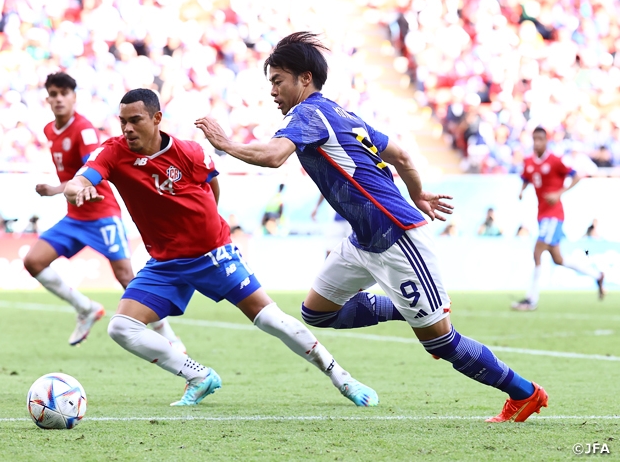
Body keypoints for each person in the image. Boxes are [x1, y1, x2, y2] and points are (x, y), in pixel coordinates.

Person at [195, 32, 548, 423]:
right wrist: (419, 193)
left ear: (305, 79)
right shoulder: (340, 114)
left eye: (278, 81)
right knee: (317, 312)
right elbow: (400, 155)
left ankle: (525, 392)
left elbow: (275, 156)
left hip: (398, 237)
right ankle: (403, 308)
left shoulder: (308, 114)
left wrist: (225, 143)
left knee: (441, 343)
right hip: (365, 239)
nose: (273, 91)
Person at [64, 88, 377, 407]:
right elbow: (80, 180)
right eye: (122, 122)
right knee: (121, 327)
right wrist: (77, 190)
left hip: (213, 254)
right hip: (166, 262)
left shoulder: (189, 152)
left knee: (270, 319)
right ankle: (198, 376)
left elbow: (211, 186)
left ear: (157, 119)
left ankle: (342, 377)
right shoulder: (113, 152)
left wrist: (204, 228)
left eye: (135, 120)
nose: (127, 128)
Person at [24, 73, 185, 351]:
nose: (58, 98)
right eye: (53, 93)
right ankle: (86, 308)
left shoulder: (84, 129)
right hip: (75, 216)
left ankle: (170, 337)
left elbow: (91, 172)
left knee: (125, 277)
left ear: (74, 96)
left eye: (64, 93)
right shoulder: (50, 129)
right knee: (33, 261)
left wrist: (54, 188)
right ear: (48, 98)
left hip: (101, 214)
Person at [513, 127, 604, 311]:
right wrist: (522, 190)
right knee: (558, 259)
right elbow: (527, 177)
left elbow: (576, 176)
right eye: (534, 139)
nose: (537, 143)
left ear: (546, 141)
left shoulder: (555, 161)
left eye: (540, 139)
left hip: (554, 215)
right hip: (541, 215)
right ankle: (597, 275)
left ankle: (531, 300)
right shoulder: (529, 161)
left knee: (537, 251)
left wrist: (559, 193)